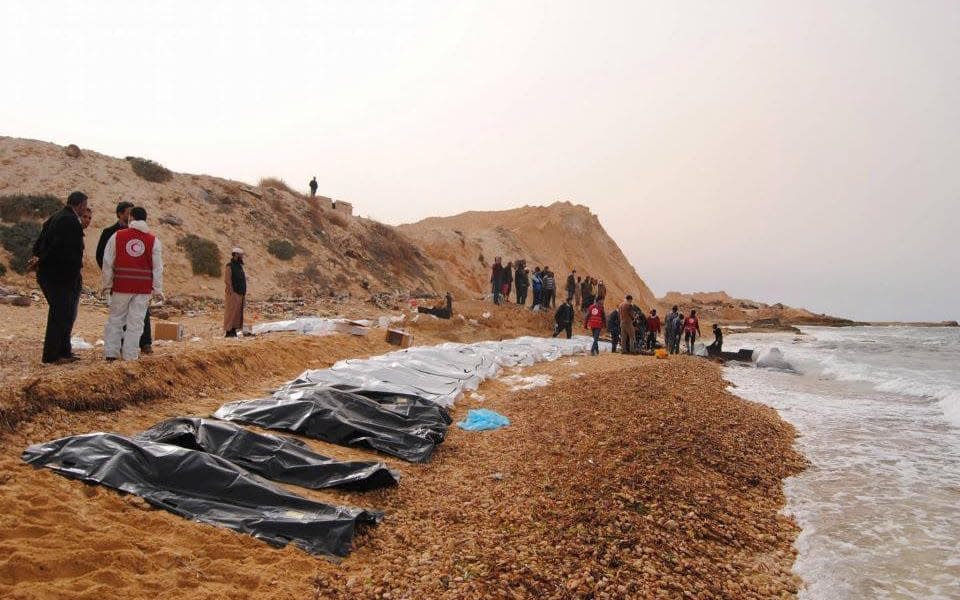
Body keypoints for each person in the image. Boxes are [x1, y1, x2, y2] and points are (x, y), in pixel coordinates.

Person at [101, 207, 163, 361]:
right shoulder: (153, 240)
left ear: (131, 218)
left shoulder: (117, 236)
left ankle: (111, 353)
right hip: (142, 287)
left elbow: (108, 262)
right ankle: (130, 355)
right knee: (136, 322)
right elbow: (157, 268)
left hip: (122, 284)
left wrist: (107, 285)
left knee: (116, 319)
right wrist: (157, 289)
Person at [33, 191, 88, 364]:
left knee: (64, 314)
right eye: (84, 206)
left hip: (51, 274)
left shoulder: (55, 217)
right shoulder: (69, 220)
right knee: (60, 315)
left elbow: (40, 243)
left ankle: (64, 352)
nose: (85, 210)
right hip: (61, 276)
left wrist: (39, 258)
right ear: (79, 205)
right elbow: (61, 249)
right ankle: (52, 355)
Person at [225, 248, 247, 337]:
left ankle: (233, 330)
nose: (242, 257)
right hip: (233, 293)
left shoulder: (239, 266)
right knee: (231, 312)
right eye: (240, 255)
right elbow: (228, 280)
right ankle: (228, 331)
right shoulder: (229, 266)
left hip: (240, 293)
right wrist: (232, 292)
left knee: (237, 313)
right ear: (236, 255)